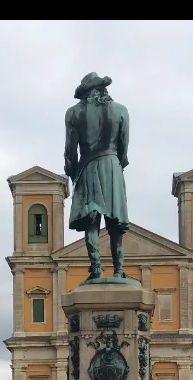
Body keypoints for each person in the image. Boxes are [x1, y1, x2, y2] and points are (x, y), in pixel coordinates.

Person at [64, 72, 130, 279]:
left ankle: (97, 268)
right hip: (112, 165)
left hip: (89, 166)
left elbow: (70, 150)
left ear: (86, 93)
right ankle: (119, 270)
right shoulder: (121, 110)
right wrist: (118, 163)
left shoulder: (74, 113)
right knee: (116, 223)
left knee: (91, 222)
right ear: (102, 90)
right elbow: (124, 147)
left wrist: (73, 170)